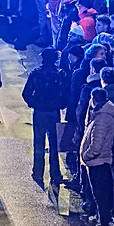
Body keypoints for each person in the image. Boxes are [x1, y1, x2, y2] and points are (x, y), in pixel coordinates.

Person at [22, 48, 68, 190]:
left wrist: (35, 104)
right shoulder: (60, 74)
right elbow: (66, 93)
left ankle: (38, 173)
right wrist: (59, 105)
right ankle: (55, 174)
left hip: (39, 113)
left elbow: (26, 93)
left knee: (38, 143)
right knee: (54, 144)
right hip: (54, 112)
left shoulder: (36, 73)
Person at [81, 88, 114, 226]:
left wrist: (86, 156)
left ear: (94, 99)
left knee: (101, 196)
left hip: (97, 162)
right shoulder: (102, 114)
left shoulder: (102, 118)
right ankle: (102, 223)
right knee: (101, 195)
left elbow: (96, 145)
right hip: (99, 161)